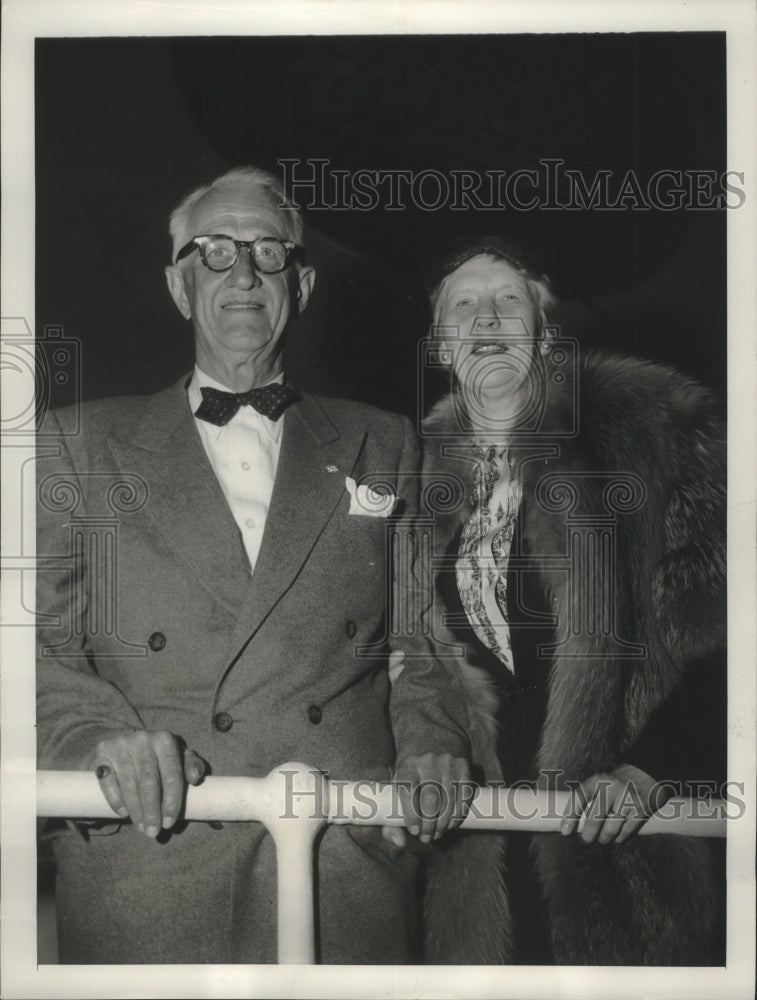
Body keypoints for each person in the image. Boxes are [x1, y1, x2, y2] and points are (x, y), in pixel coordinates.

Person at [35, 166, 474, 964]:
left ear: (300, 284)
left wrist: (433, 740)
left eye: (268, 252)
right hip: (151, 868)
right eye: (214, 250)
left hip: (342, 863)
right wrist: (95, 736)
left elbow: (423, 644)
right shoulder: (76, 444)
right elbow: (32, 648)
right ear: (178, 285)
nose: (242, 273)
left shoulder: (386, 442)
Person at [418, 236, 726, 964]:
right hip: (472, 859)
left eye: (508, 300)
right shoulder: (404, 470)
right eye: (463, 303)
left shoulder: (651, 426)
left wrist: (659, 765)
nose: (486, 317)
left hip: (621, 841)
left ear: (545, 332)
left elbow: (733, 626)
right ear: (438, 345)